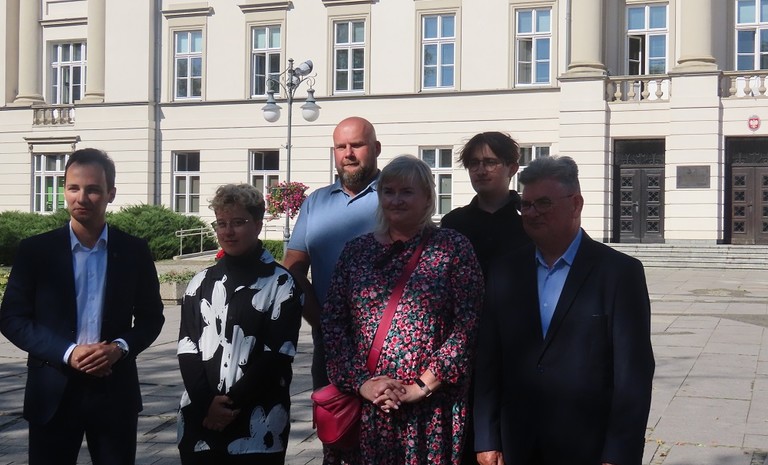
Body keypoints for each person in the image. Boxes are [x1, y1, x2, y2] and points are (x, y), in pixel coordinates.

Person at [473, 156, 655, 465]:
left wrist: (619, 454)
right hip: (517, 444)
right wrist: (486, 439)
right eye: (526, 205)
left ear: (576, 204)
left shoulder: (619, 273)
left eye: (543, 203)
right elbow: (488, 361)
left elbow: (633, 375)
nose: (532, 213)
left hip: (589, 447)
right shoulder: (504, 272)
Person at [0, 148, 165, 465]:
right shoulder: (36, 251)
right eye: (73, 188)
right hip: (52, 391)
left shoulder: (133, 251)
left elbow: (151, 318)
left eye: (92, 189)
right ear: (64, 191)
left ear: (110, 193)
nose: (81, 198)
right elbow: (12, 318)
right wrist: (68, 352)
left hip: (114, 390)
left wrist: (119, 348)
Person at [322, 155, 484, 465]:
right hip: (366, 407)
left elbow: (468, 324)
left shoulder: (452, 248)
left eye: (407, 192)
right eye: (389, 191)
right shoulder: (357, 251)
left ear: (427, 198)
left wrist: (421, 387)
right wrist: (363, 383)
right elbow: (333, 324)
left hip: (429, 409)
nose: (396, 200)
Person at [177, 183, 303, 464]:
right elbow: (187, 347)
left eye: (238, 222)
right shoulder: (200, 282)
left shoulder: (281, 283)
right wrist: (207, 404)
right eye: (221, 224)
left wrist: (227, 406)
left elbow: (277, 355)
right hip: (202, 419)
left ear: (258, 225)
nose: (228, 231)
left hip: (258, 422)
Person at [283, 116, 381, 390]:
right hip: (329, 344)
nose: (348, 154)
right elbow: (293, 268)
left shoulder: (396, 197)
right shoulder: (316, 202)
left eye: (357, 145)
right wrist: (323, 323)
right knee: (332, 415)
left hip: (388, 343)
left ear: (376, 148)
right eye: (341, 147)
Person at [441, 131, 530, 276]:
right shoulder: (453, 223)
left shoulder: (529, 220)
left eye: (490, 162)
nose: (481, 171)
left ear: (512, 169)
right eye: (474, 163)